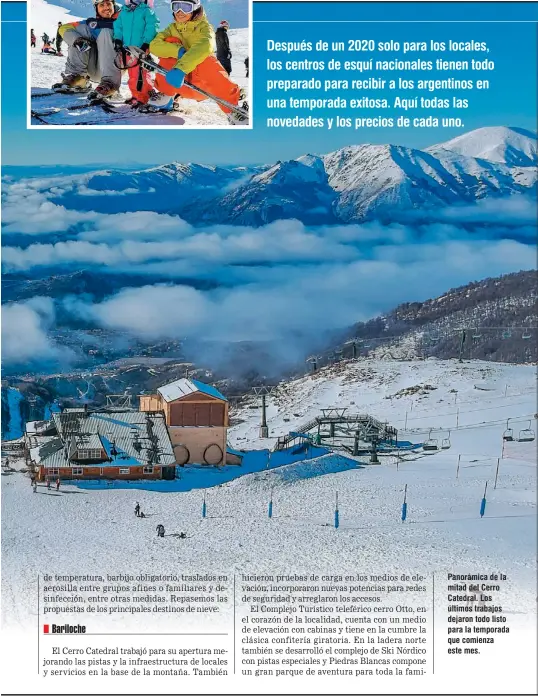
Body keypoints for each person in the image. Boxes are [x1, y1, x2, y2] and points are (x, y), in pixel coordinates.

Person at [146, 0, 248, 124]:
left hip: (201, 85)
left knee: (205, 58)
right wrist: (177, 50)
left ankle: (232, 109)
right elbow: (154, 45)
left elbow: (206, 46)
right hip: (178, 83)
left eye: (185, 7)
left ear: (195, 8)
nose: (180, 11)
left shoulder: (204, 27)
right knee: (169, 42)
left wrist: (181, 67)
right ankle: (167, 96)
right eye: (176, 6)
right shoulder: (171, 28)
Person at [53, 0, 122, 98]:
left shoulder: (123, 23)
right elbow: (65, 28)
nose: (106, 7)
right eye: (102, 5)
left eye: (108, 4)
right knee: (77, 37)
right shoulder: (91, 24)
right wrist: (77, 40)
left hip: (115, 69)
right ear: (96, 8)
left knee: (106, 31)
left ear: (114, 6)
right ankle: (79, 78)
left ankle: (111, 85)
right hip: (93, 68)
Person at [113, 0, 159, 106]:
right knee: (132, 75)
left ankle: (144, 97)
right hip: (127, 50)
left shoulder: (147, 11)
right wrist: (118, 39)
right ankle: (135, 95)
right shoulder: (124, 12)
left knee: (142, 75)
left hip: (141, 49)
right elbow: (118, 26)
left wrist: (147, 43)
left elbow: (152, 27)